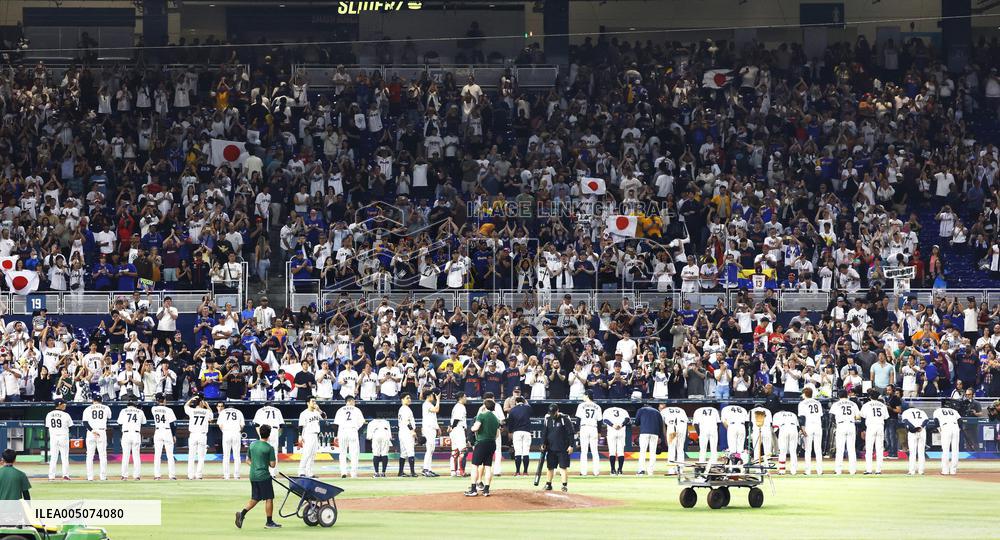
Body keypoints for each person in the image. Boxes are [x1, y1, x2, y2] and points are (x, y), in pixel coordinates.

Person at [235, 424, 281, 529]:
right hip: (263, 476)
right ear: (269, 435)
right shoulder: (269, 447)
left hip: (253, 475)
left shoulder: (252, 445)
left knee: (255, 498)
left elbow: (247, 460)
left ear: (260, 433)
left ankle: (241, 514)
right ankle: (269, 522)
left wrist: (256, 465)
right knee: (269, 498)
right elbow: (272, 465)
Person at [464, 398, 500, 497]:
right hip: (492, 443)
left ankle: (473, 489)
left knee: (475, 466)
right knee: (488, 466)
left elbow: (475, 428)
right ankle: (486, 490)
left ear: (485, 405)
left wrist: (471, 428)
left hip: (481, 443)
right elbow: (497, 435)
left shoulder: (481, 415)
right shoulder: (496, 418)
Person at [540, 404, 575, 492]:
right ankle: (548, 484)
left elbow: (571, 433)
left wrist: (571, 445)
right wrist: (542, 443)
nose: (552, 414)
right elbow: (544, 432)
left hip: (563, 448)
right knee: (550, 467)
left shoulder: (564, 419)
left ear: (557, 411)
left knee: (563, 467)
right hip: (551, 448)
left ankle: (564, 485)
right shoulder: (547, 419)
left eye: (553, 412)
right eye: (551, 413)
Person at [333, 396, 365, 478]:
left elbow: (336, 424)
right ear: (350, 401)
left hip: (342, 431)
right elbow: (362, 422)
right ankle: (353, 473)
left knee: (342, 453)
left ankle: (343, 472)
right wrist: (356, 427)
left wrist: (336, 435)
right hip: (352, 431)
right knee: (354, 453)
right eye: (354, 401)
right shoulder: (356, 410)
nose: (354, 403)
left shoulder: (340, 410)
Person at [82, 394, 111, 481]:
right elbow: (109, 417)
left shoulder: (87, 409)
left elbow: (85, 423)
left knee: (89, 456)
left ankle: (90, 477)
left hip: (91, 432)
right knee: (103, 455)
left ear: (93, 400)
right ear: (101, 400)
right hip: (101, 431)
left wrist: (92, 430)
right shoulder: (106, 408)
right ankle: (103, 477)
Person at [831, 390, 860, 475]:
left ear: (839, 396)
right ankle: (853, 470)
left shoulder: (836, 404)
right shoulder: (853, 404)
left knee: (840, 449)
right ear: (847, 395)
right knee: (851, 449)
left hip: (841, 425)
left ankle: (838, 470)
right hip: (851, 425)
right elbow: (858, 417)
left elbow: (832, 417)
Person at [860, 389, 889, 475]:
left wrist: (863, 429)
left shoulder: (866, 405)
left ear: (870, 397)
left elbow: (862, 418)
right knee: (879, 449)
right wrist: (883, 429)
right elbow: (886, 419)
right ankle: (878, 470)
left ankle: (869, 470)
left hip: (871, 426)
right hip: (880, 426)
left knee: (869, 449)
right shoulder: (882, 405)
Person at [117, 397, 147, 480]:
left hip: (126, 434)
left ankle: (124, 476)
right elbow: (144, 422)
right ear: (135, 405)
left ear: (128, 405)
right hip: (136, 434)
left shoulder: (123, 411)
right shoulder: (140, 411)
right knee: (136, 456)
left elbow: (119, 422)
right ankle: (136, 476)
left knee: (125, 456)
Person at [797, 387, 824, 475]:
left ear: (805, 394)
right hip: (818, 426)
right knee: (818, 449)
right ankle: (819, 471)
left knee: (808, 449)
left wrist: (802, 428)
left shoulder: (802, 403)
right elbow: (821, 415)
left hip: (808, 426)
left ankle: (808, 471)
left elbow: (802, 417)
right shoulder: (818, 402)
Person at [574, 391, 602, 476]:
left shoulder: (581, 405)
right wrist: (599, 432)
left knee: (584, 451)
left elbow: (578, 420)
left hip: (584, 428)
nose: (583, 397)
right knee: (595, 451)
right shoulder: (597, 406)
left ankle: (583, 472)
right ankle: (596, 472)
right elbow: (600, 421)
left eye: (584, 395)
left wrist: (577, 430)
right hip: (594, 428)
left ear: (587, 395)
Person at [185, 394, 213, 480]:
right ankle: (199, 475)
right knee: (201, 457)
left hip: (193, 434)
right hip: (202, 435)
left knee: (191, 456)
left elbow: (185, 406)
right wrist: (207, 406)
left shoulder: (191, 410)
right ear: (201, 402)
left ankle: (190, 475)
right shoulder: (207, 411)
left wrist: (191, 399)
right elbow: (211, 418)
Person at [151, 393, 178, 480]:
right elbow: (173, 424)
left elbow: (155, 404)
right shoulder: (169, 410)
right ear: (164, 400)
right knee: (170, 455)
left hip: (158, 431)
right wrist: (174, 435)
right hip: (167, 431)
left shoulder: (153, 409)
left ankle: (157, 476)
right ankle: (172, 476)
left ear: (157, 400)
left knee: (157, 455)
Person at [45, 398, 73, 481]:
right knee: (65, 457)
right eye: (64, 404)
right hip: (63, 436)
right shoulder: (66, 415)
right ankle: (65, 475)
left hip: (53, 437)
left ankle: (51, 476)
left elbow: (47, 427)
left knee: (53, 457)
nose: (65, 405)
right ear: (60, 404)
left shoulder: (49, 414)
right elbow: (71, 427)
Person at [297, 397, 325, 478]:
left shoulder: (316, 412)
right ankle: (301, 471)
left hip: (315, 435)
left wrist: (319, 410)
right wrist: (300, 436)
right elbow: (300, 425)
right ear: (308, 403)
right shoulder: (304, 413)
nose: (314, 403)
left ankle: (309, 472)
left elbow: (324, 417)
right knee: (306, 453)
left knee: (313, 454)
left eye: (315, 401)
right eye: (312, 401)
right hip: (308, 435)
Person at [218, 403, 246, 480]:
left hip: (226, 433)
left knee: (226, 456)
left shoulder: (223, 412)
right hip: (236, 433)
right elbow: (242, 425)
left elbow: (220, 425)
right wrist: (238, 431)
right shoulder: (239, 412)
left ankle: (226, 476)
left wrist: (224, 431)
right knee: (237, 456)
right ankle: (236, 475)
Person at [506, 396, 532, 476]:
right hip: (527, 432)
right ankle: (525, 472)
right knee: (526, 452)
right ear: (523, 401)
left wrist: (510, 432)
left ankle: (517, 472)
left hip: (517, 432)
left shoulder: (513, 410)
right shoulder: (528, 408)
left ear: (516, 402)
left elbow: (510, 423)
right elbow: (532, 413)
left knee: (518, 452)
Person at [635, 404, 663, 475]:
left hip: (644, 432)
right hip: (655, 433)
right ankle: (650, 470)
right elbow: (661, 425)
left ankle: (641, 470)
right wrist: (660, 436)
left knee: (643, 451)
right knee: (653, 452)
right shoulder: (657, 412)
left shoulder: (641, 410)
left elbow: (636, 423)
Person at [933, 405, 961, 475]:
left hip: (946, 427)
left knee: (945, 450)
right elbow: (960, 421)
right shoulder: (954, 411)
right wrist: (958, 429)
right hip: (955, 427)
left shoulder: (938, 410)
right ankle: (953, 471)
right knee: (955, 450)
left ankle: (945, 471)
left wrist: (940, 429)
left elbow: (936, 420)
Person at [602, 405, 631, 475]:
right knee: (621, 452)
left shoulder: (607, 410)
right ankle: (620, 470)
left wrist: (612, 425)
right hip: (621, 431)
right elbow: (627, 419)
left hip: (612, 431)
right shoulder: (623, 410)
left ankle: (612, 470)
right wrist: (621, 425)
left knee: (612, 451)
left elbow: (605, 420)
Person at [660, 405, 688, 475]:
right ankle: (680, 470)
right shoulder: (681, 409)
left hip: (672, 428)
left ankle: (671, 470)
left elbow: (663, 425)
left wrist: (665, 436)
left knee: (671, 449)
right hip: (682, 428)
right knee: (680, 449)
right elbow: (686, 422)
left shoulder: (663, 411)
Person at [901, 406, 929, 475]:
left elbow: (906, 422)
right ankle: (921, 471)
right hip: (922, 431)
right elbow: (926, 420)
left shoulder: (906, 412)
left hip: (912, 432)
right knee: (921, 452)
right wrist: (921, 427)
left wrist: (913, 428)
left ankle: (912, 471)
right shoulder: (921, 411)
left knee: (912, 452)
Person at [448, 393, 469, 477]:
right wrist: (452, 427)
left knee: (455, 452)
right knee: (463, 451)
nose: (466, 398)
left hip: (455, 430)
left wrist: (451, 427)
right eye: (465, 396)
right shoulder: (460, 406)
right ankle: (461, 471)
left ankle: (454, 471)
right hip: (458, 429)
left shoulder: (456, 406)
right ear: (460, 398)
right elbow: (457, 419)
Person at [420, 391, 441, 477]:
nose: (433, 396)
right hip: (428, 429)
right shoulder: (426, 404)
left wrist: (438, 427)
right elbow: (437, 410)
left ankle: (429, 469)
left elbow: (433, 417)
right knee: (429, 449)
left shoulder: (429, 404)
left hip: (431, 428)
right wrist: (438, 399)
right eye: (432, 395)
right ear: (428, 396)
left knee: (431, 449)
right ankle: (425, 469)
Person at [772, 410, 799, 475]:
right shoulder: (792, 413)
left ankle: (782, 471)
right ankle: (793, 471)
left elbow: (775, 428)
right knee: (793, 451)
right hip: (794, 428)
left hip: (784, 428)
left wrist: (779, 438)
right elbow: (798, 426)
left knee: (782, 451)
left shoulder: (777, 414)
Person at [397, 394, 417, 477]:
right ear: (402, 399)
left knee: (403, 453)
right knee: (410, 452)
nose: (409, 399)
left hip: (402, 432)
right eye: (407, 398)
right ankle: (412, 472)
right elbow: (407, 421)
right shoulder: (405, 409)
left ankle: (400, 472)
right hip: (407, 432)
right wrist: (412, 431)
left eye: (409, 398)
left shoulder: (402, 409)